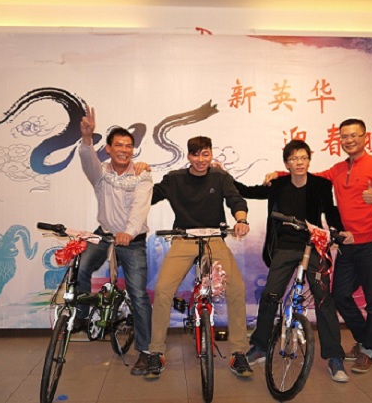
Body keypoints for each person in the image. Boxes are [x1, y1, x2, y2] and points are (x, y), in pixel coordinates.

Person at [266, 118, 372, 373]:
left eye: (354, 135)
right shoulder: (339, 169)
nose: (349, 140)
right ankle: (364, 340)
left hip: (371, 244)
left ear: (365, 137)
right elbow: (310, 177)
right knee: (339, 296)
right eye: (344, 136)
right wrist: (280, 174)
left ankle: (369, 350)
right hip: (346, 245)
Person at [232, 139, 350, 383]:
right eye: (294, 158)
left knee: (324, 298)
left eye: (304, 158)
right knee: (270, 295)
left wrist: (339, 230)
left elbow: (330, 211)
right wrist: (223, 175)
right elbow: (249, 191)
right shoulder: (278, 184)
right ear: (286, 163)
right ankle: (260, 346)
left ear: (309, 160)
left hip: (313, 246)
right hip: (284, 247)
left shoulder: (321, 185)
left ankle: (334, 357)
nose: (299, 162)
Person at [145, 136, 253, 379]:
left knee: (237, 288)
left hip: (214, 238)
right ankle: (156, 352)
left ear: (211, 154)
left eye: (206, 154)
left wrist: (241, 220)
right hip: (184, 239)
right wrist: (139, 175)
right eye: (196, 154)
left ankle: (238, 352)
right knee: (162, 290)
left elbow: (236, 200)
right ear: (188, 156)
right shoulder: (174, 179)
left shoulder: (220, 177)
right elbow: (149, 196)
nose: (201, 160)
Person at [77, 107, 154, 376]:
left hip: (133, 240)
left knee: (139, 295)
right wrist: (87, 138)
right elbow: (87, 159)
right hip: (105, 233)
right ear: (108, 149)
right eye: (118, 145)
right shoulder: (101, 174)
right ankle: (82, 316)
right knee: (82, 266)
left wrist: (129, 233)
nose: (124, 150)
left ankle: (146, 351)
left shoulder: (142, 174)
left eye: (129, 146)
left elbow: (140, 208)